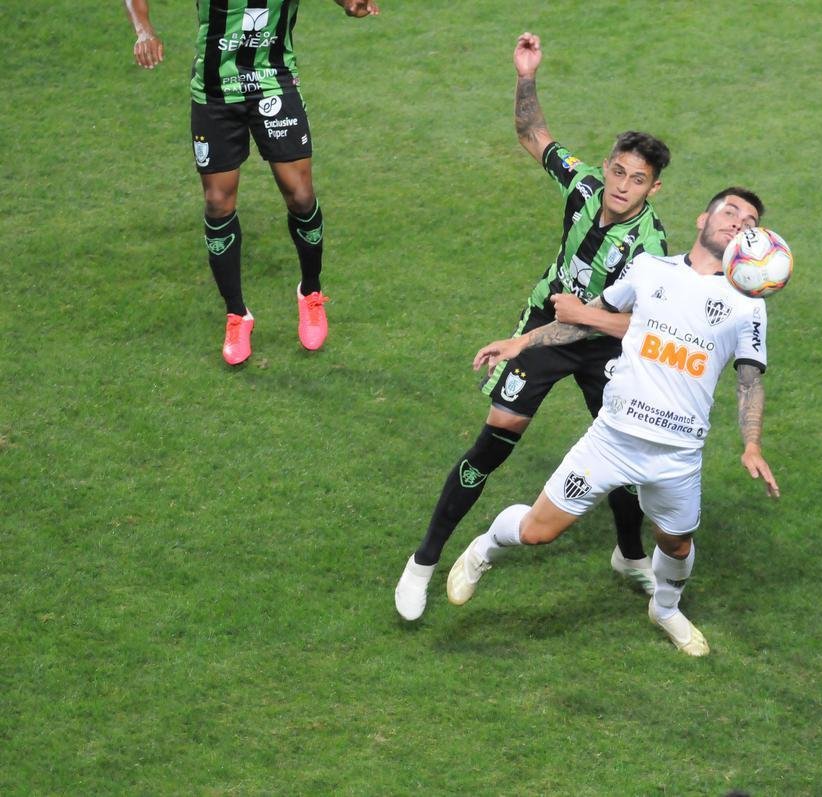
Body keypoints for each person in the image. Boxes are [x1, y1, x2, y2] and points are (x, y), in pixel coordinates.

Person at [394, 32, 672, 621]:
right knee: (493, 444)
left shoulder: (650, 248)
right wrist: (526, 74)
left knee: (621, 455)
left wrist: (526, 339)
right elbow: (533, 135)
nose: (622, 186)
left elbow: (632, 324)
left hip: (607, 340)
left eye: (637, 179)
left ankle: (628, 554)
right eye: (618, 171)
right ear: (606, 166)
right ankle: (422, 563)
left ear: (654, 188)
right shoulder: (583, 185)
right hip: (552, 320)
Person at [444, 188, 781, 656]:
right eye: (730, 211)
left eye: (749, 220)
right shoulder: (650, 269)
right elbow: (589, 320)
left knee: (677, 544)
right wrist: (523, 342)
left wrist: (752, 444)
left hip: (678, 455)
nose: (738, 221)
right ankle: (483, 550)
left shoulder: (748, 303)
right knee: (537, 532)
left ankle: (665, 610)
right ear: (704, 217)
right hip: (612, 440)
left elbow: (749, 381)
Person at [123, 0, 379, 365]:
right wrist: (144, 29)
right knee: (218, 202)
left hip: (273, 82)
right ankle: (237, 314)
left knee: (301, 196)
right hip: (215, 92)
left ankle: (310, 292)